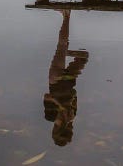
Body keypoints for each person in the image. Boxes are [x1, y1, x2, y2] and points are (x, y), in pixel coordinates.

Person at [43, 9, 89, 146]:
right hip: (68, 80)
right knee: (84, 56)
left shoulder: (51, 117)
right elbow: (74, 94)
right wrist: (68, 103)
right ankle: (65, 51)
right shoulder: (72, 115)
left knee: (62, 45)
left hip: (56, 80)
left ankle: (66, 15)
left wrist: (61, 106)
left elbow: (47, 96)